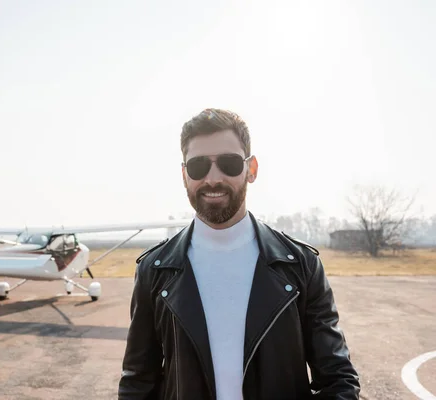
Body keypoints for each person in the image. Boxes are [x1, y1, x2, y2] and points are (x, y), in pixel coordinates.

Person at [118, 108, 360, 399]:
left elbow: (338, 378)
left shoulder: (301, 266)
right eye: (198, 167)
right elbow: (137, 383)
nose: (213, 179)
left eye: (229, 163)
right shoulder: (154, 271)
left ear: (252, 169)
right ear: (184, 175)